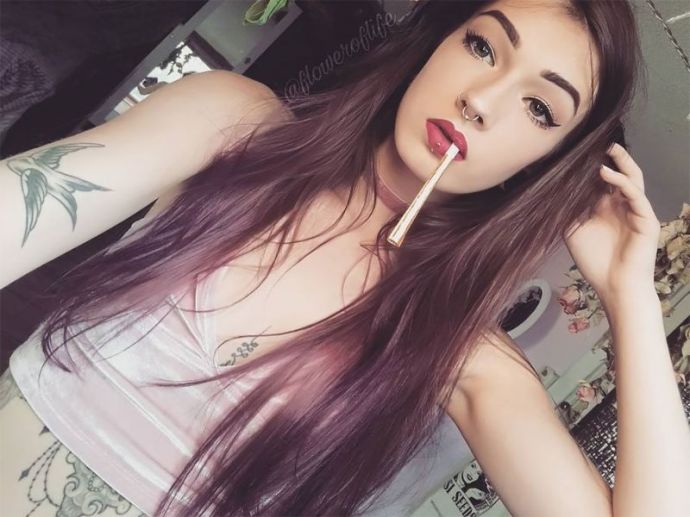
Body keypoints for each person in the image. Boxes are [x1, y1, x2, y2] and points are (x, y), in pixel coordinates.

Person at [2, 0, 688, 516]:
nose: (481, 102)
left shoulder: (461, 353)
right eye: (482, 46)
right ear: (438, 40)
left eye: (539, 109)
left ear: (548, 165)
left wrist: (629, 295)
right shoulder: (233, 129)